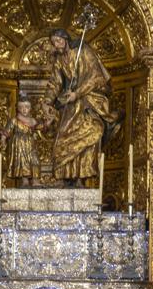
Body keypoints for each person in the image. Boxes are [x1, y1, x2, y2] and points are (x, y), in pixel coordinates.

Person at [44, 29, 119, 186]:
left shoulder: (83, 51)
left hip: (90, 100)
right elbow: (55, 82)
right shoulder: (59, 59)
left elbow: (96, 77)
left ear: (65, 39)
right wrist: (48, 101)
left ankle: (81, 178)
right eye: (54, 42)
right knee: (64, 136)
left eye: (58, 41)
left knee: (89, 133)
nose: (56, 45)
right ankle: (66, 176)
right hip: (70, 103)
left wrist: (78, 93)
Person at [0, 93, 43, 187]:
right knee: (22, 162)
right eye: (21, 107)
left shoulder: (32, 120)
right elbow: (7, 131)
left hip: (30, 144)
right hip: (19, 145)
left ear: (30, 108)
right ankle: (25, 181)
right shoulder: (15, 120)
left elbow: (41, 127)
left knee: (35, 160)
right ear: (18, 108)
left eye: (27, 107)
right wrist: (3, 140)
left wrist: (49, 122)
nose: (24, 109)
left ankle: (35, 180)